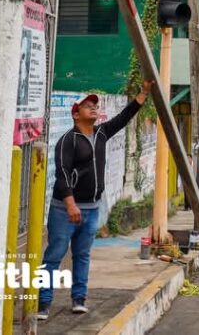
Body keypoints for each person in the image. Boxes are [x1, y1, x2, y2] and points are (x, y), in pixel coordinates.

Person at [38, 80, 154, 319]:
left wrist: (143, 93)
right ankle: (44, 303)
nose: (93, 107)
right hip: (64, 209)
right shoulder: (67, 141)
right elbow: (61, 173)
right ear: (75, 114)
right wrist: (70, 204)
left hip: (92, 208)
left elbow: (124, 116)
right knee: (54, 255)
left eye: (94, 105)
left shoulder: (101, 133)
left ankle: (79, 299)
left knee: (82, 255)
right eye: (87, 105)